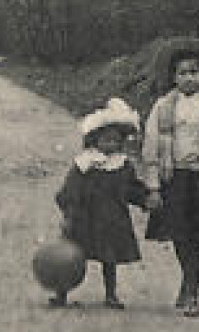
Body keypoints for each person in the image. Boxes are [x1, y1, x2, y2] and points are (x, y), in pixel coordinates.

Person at [141, 40, 199, 317]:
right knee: (179, 234)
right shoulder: (163, 107)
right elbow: (151, 147)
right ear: (173, 77)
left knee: (197, 235)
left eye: (194, 72)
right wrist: (153, 185)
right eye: (182, 73)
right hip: (175, 178)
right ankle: (187, 279)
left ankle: (192, 291)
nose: (189, 78)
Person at [50, 98, 150, 309]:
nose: (110, 145)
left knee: (110, 259)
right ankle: (61, 294)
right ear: (94, 140)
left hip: (111, 220)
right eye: (105, 140)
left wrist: (145, 198)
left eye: (115, 140)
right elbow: (70, 191)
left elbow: (131, 188)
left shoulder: (122, 166)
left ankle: (111, 295)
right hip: (83, 219)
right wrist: (69, 213)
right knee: (70, 258)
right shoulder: (84, 164)